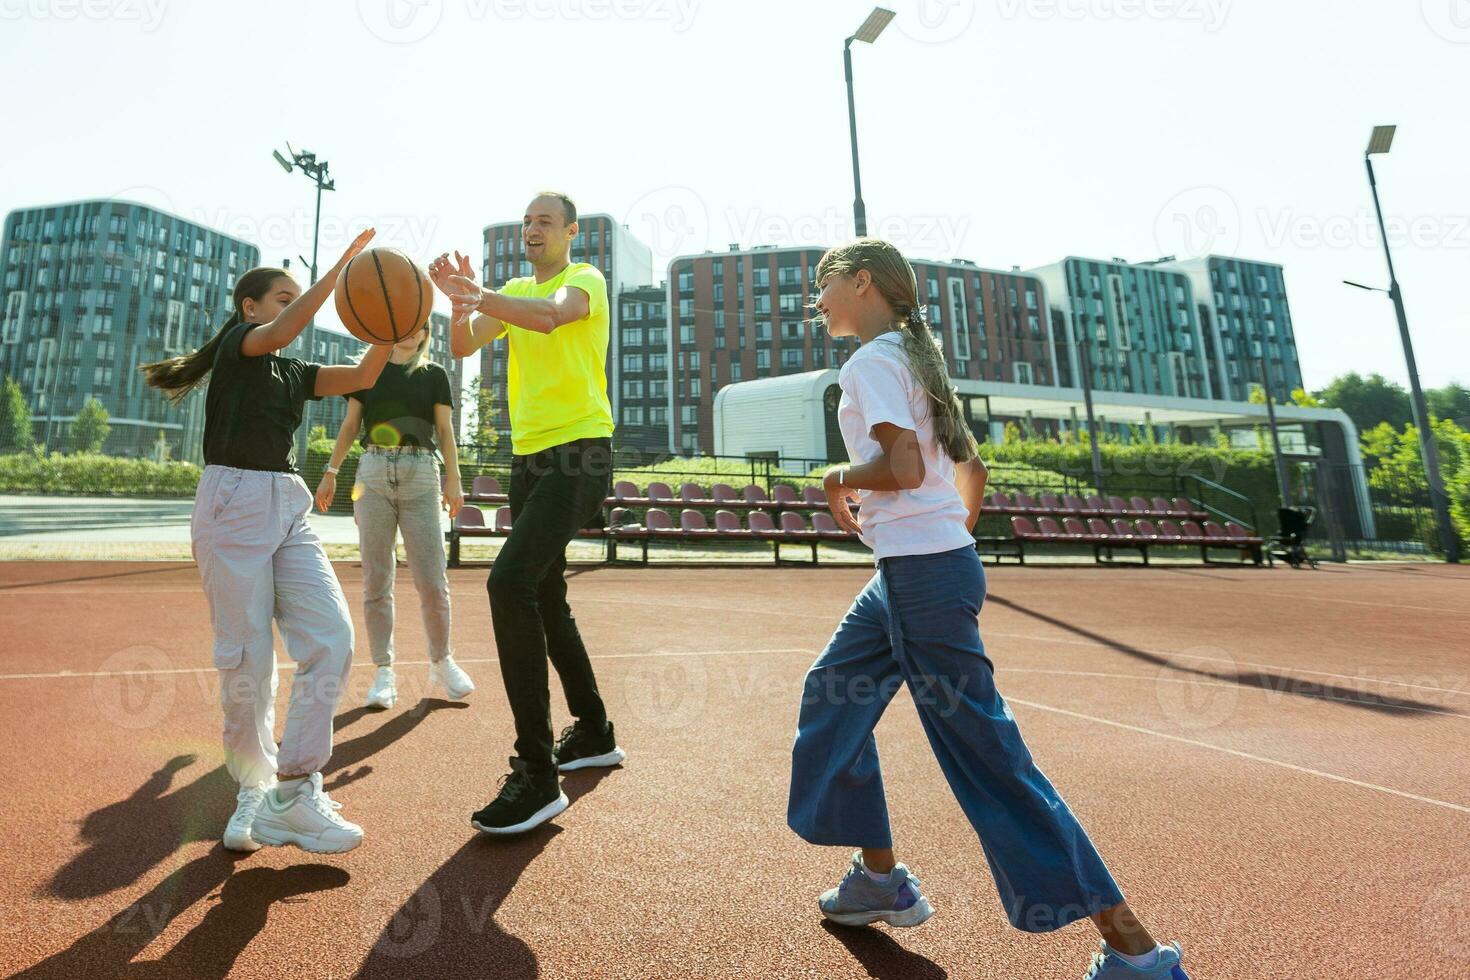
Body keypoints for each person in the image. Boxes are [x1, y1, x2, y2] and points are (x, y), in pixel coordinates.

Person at [786, 239, 1189, 979]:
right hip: (917, 572)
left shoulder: (873, 361)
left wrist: (834, 479)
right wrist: (949, 539)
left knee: (992, 762)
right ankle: (880, 879)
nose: (816, 297)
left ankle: (1135, 950)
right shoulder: (912, 353)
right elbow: (971, 465)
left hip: (921, 578)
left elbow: (904, 469)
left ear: (863, 283)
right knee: (831, 695)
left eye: (824, 283)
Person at [139, 229, 390, 855]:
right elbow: (281, 332)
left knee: (331, 637)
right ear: (249, 308)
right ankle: (255, 786)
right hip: (233, 502)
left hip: (286, 503)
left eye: (292, 298)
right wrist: (337, 273)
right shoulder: (240, 347)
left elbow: (362, 372)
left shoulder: (292, 368)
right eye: (281, 297)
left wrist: (390, 323)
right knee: (248, 662)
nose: (289, 307)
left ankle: (294, 790)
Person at [428, 190, 624, 836]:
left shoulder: (582, 279)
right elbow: (460, 345)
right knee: (543, 596)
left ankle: (537, 774)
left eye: (545, 221)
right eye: (527, 222)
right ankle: (593, 729)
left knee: (508, 581)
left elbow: (548, 318)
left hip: (581, 454)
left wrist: (481, 295)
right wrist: (461, 300)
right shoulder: (510, 289)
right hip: (530, 459)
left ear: (570, 231)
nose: (532, 229)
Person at [315, 318, 474, 710]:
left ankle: (442, 661)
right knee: (376, 580)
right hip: (371, 475)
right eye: (403, 322)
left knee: (432, 580)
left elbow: (445, 430)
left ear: (424, 335)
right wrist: (330, 472)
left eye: (418, 325)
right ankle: (384, 672)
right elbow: (351, 425)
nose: (409, 329)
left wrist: (454, 479)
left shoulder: (434, 375)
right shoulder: (366, 371)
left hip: (421, 474)